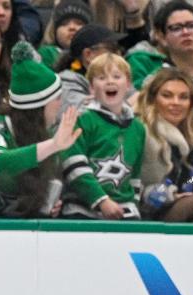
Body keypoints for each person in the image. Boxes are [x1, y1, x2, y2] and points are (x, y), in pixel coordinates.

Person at [0, 41, 81, 217]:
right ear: (39, 107)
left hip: (5, 216)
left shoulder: (41, 135)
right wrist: (53, 145)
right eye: (57, 98)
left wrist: (45, 203)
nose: (60, 104)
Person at [137, 66, 193, 221]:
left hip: (186, 204)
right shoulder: (141, 131)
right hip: (151, 208)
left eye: (183, 97)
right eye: (167, 96)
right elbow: (133, 181)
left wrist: (189, 188)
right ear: (153, 99)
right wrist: (170, 194)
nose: (176, 103)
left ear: (191, 103)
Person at [59, 53, 145, 219]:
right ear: (91, 87)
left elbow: (135, 175)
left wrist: (134, 202)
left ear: (128, 84)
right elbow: (73, 165)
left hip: (124, 209)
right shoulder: (82, 120)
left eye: (116, 76)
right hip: (82, 207)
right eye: (101, 77)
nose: (110, 81)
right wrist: (101, 200)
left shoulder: (138, 128)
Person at [128, 1, 193, 124]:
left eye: (191, 25)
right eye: (176, 28)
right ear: (161, 37)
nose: (186, 32)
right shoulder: (157, 81)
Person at [56, 23, 126, 114]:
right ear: (88, 55)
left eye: (119, 49)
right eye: (112, 49)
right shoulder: (66, 82)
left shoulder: (117, 76)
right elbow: (85, 115)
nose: (119, 55)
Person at [37, 0, 92, 69]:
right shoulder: (47, 54)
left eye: (79, 23)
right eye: (64, 24)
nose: (72, 27)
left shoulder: (97, 57)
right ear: (54, 31)